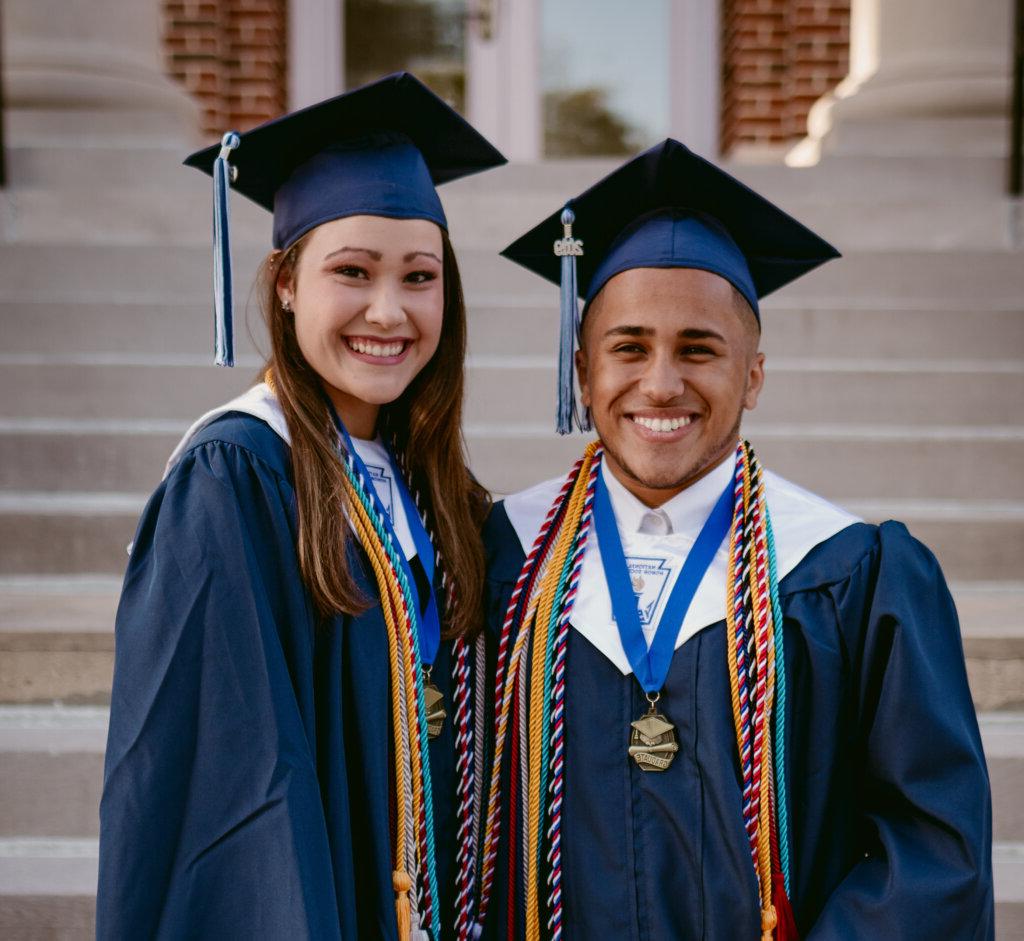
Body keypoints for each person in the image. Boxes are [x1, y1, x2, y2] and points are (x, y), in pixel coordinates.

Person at [476, 139, 993, 940]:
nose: (660, 383)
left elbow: (931, 848)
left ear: (753, 373)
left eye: (699, 349)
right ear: (581, 371)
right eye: (629, 346)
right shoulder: (505, 557)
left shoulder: (848, 570)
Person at [97, 73, 505, 940]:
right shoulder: (235, 478)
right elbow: (235, 787)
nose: (388, 311)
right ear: (285, 284)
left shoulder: (437, 490)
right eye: (350, 271)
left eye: (419, 276)